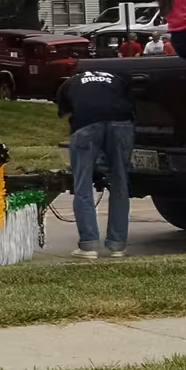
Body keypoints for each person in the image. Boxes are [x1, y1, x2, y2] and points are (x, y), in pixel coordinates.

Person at [56, 66, 136, 260]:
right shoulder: (116, 77)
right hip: (121, 123)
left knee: (83, 184)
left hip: (86, 125)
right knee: (119, 184)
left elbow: (65, 112)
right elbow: (130, 103)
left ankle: (89, 245)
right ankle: (117, 246)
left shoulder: (68, 84)